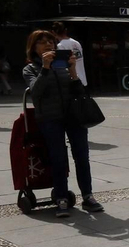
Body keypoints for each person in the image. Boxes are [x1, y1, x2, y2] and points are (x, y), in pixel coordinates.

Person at [21, 30, 103, 216]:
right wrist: (45, 67)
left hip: (74, 116)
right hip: (50, 118)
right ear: (33, 48)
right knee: (57, 157)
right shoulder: (30, 69)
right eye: (42, 42)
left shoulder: (64, 65)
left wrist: (73, 70)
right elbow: (36, 91)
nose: (48, 45)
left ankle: (88, 196)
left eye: (51, 41)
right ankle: (61, 198)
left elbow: (79, 91)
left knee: (82, 155)